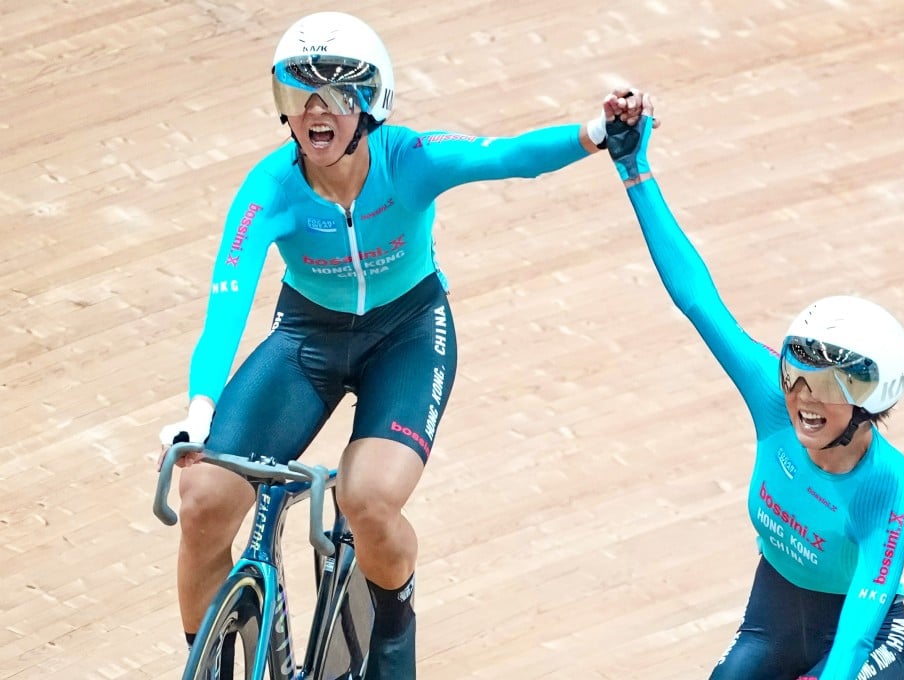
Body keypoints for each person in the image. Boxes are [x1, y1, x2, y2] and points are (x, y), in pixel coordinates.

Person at [156, 10, 653, 679]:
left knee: (368, 500)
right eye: (295, 94)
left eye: (332, 94)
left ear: (372, 103)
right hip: (309, 335)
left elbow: (506, 157)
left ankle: (393, 625)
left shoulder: (410, 160)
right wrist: (200, 410)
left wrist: (596, 133)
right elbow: (227, 302)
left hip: (408, 335)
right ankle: (205, 663)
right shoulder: (269, 189)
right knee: (203, 500)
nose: (312, 112)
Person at [603, 114, 904, 679]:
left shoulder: (887, 487)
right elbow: (699, 300)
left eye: (826, 386)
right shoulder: (771, 399)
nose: (803, 399)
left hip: (863, 640)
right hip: (774, 616)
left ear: (871, 401)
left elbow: (851, 643)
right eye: (795, 377)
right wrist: (634, 168)